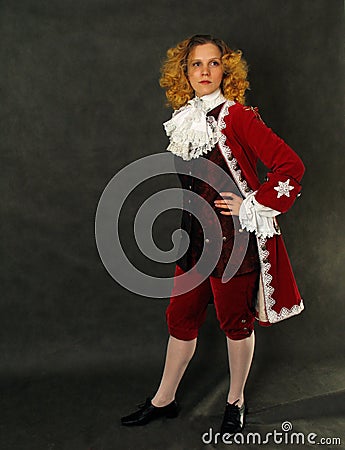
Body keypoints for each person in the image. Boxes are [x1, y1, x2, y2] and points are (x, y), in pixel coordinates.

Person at [121, 34, 305, 435]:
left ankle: (235, 401)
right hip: (192, 240)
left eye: (213, 63)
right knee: (179, 317)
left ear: (227, 68)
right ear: (184, 73)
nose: (204, 72)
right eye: (195, 65)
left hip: (232, 241)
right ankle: (163, 399)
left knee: (234, 321)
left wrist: (251, 204)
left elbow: (290, 166)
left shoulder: (238, 116)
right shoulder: (185, 116)